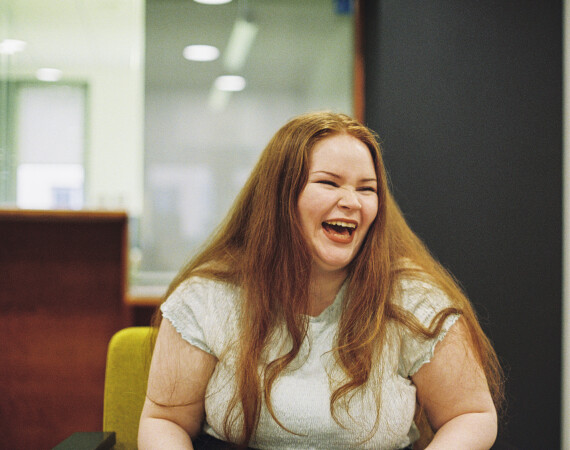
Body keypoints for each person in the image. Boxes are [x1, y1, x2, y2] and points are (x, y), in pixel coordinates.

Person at [138, 111, 504, 449]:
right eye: (329, 183)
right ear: (280, 197)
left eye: (366, 189)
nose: (352, 202)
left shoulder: (413, 298)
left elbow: (470, 415)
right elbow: (164, 421)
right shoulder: (207, 297)